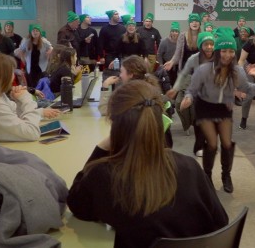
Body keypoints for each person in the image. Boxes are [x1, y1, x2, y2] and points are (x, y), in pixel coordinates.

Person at [67, 80, 228, 248]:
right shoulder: (190, 167)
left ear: (115, 125)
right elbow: (221, 222)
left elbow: (77, 204)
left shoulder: (103, 177)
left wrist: (101, 148)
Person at [181, 32, 255, 193]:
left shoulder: (238, 71)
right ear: (217, 52)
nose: (227, 54)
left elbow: (247, 89)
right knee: (211, 143)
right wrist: (188, 98)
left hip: (224, 108)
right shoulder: (204, 70)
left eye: (231, 51)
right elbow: (192, 89)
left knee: (226, 143)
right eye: (224, 51)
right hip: (205, 107)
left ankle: (226, 175)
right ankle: (207, 176)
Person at [167, 32, 215, 156]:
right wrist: (176, 88)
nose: (209, 47)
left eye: (211, 44)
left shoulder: (219, 57)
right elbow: (183, 74)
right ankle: (199, 147)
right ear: (200, 46)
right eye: (206, 44)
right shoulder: (194, 59)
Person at [157, 22, 180, 86]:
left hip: (177, 66)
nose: (174, 33)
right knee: (166, 83)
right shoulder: (164, 41)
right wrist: (161, 65)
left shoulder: (181, 42)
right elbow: (159, 54)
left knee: (176, 84)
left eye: (176, 31)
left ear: (179, 33)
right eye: (173, 31)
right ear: (170, 32)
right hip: (166, 65)